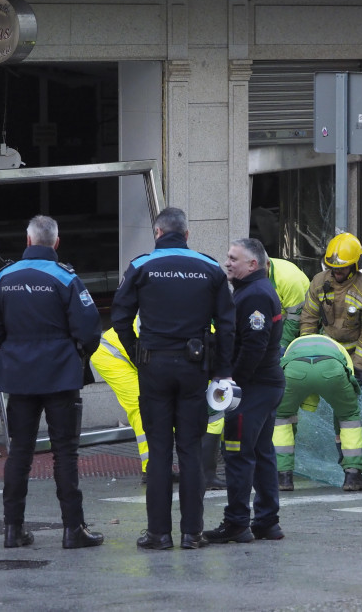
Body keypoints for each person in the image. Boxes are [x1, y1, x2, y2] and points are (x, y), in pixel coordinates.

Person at [110, 207, 235, 550]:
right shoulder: (210, 268)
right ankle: (192, 533)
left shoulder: (141, 266)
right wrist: (221, 370)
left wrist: (137, 351)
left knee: (160, 451)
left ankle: (158, 534)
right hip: (195, 369)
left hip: (154, 368)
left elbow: (119, 316)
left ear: (158, 233)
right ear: (187, 234)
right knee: (191, 451)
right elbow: (226, 325)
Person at [0, 215, 104, 549]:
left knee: (19, 452)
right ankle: (73, 529)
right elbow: (90, 329)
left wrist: (15, 349)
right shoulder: (66, 278)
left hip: (19, 376)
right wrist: (74, 352)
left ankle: (13, 529)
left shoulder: (4, 277)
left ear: (27, 239)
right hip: (61, 376)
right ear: (56, 242)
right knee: (65, 453)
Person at [204, 238, 285, 544]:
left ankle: (237, 522)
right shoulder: (254, 291)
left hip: (253, 388)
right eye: (227, 257)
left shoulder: (254, 296)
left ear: (253, 264)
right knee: (261, 453)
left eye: (233, 258)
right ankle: (266, 522)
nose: (227, 262)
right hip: (264, 385)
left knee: (237, 454)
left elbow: (253, 344)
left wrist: (231, 382)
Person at [90, 320, 222, 489]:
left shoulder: (201, 330)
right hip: (113, 355)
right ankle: (150, 470)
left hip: (140, 355)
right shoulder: (198, 334)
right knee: (143, 407)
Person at [274, 334, 362, 492]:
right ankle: (353, 476)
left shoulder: (294, 345)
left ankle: (283, 477)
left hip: (294, 370)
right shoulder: (339, 349)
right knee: (348, 418)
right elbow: (343, 406)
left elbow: (286, 369)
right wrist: (340, 437)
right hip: (331, 368)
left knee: (282, 417)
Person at [300, 232, 362, 381]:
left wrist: (358, 365)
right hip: (327, 353)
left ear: (355, 265)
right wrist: (307, 351)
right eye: (333, 267)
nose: (337, 271)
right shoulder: (319, 282)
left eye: (342, 267)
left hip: (357, 355)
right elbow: (308, 318)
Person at [268, 256, 310, 352]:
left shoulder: (289, 280)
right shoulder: (247, 273)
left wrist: (283, 345)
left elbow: (294, 318)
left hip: (295, 325)